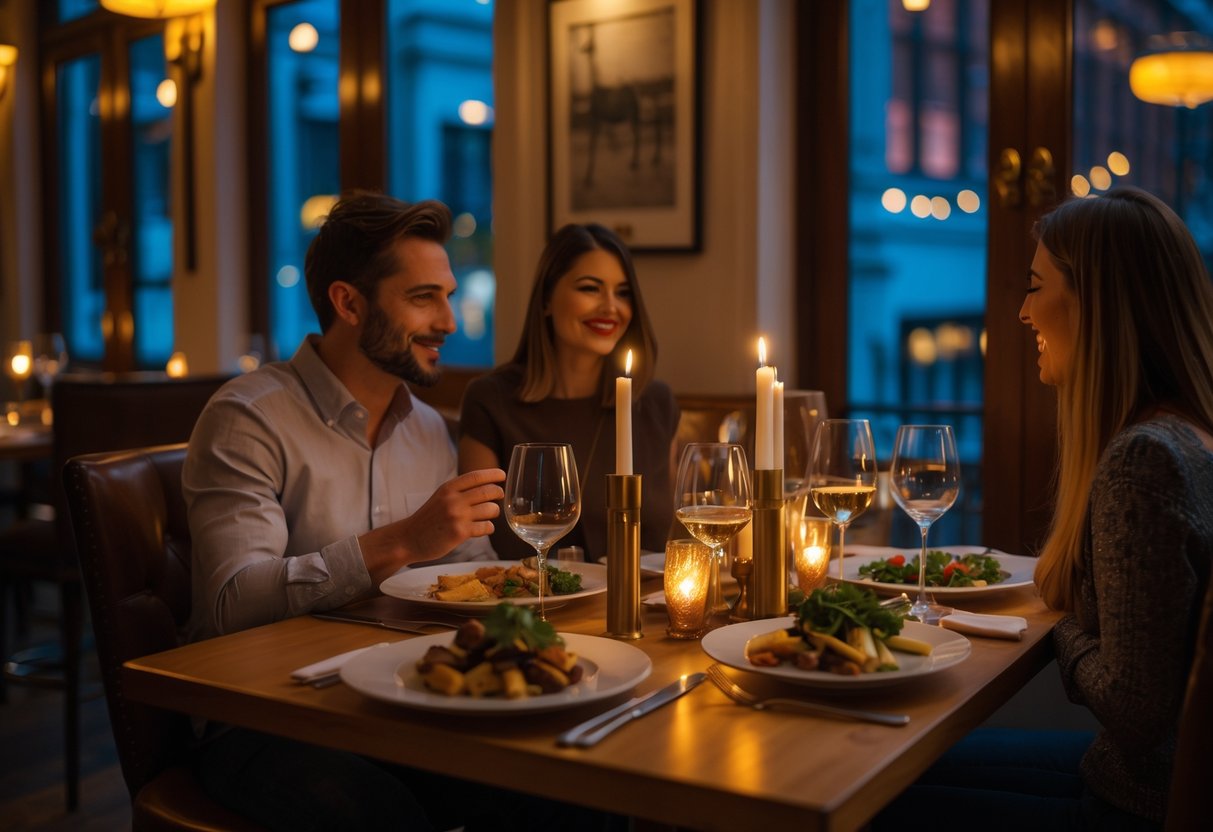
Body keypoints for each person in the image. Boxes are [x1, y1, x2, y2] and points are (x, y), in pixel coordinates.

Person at [183, 192, 608, 831]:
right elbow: (230, 603)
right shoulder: (248, 418)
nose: (449, 321)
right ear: (348, 303)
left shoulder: (428, 428)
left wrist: (551, 595)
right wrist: (402, 541)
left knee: (567, 788)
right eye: (422, 298)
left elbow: (466, 567)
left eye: (447, 295)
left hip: (389, 694)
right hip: (263, 718)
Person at [875, 187, 1213, 831]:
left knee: (867, 794)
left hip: (1134, 802)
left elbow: (1135, 711)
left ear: (1097, 303)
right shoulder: (1192, 436)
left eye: (1035, 287)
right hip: (1131, 778)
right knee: (894, 762)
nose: (1024, 313)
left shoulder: (1146, 462)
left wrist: (1057, 629)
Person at [459, 223, 680, 558]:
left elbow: (676, 536)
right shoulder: (491, 400)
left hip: (644, 606)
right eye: (591, 288)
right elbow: (474, 542)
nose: (611, 307)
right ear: (546, 300)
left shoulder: (654, 403)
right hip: (531, 605)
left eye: (622, 293)